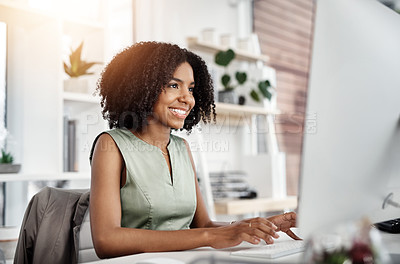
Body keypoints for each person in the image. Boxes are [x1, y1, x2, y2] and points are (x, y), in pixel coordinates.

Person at [89, 41, 299, 259]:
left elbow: (204, 224)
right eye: (173, 85)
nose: (187, 98)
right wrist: (207, 236)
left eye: (190, 88)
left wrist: (256, 226)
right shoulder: (111, 146)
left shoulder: (182, 148)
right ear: (142, 86)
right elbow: (106, 240)